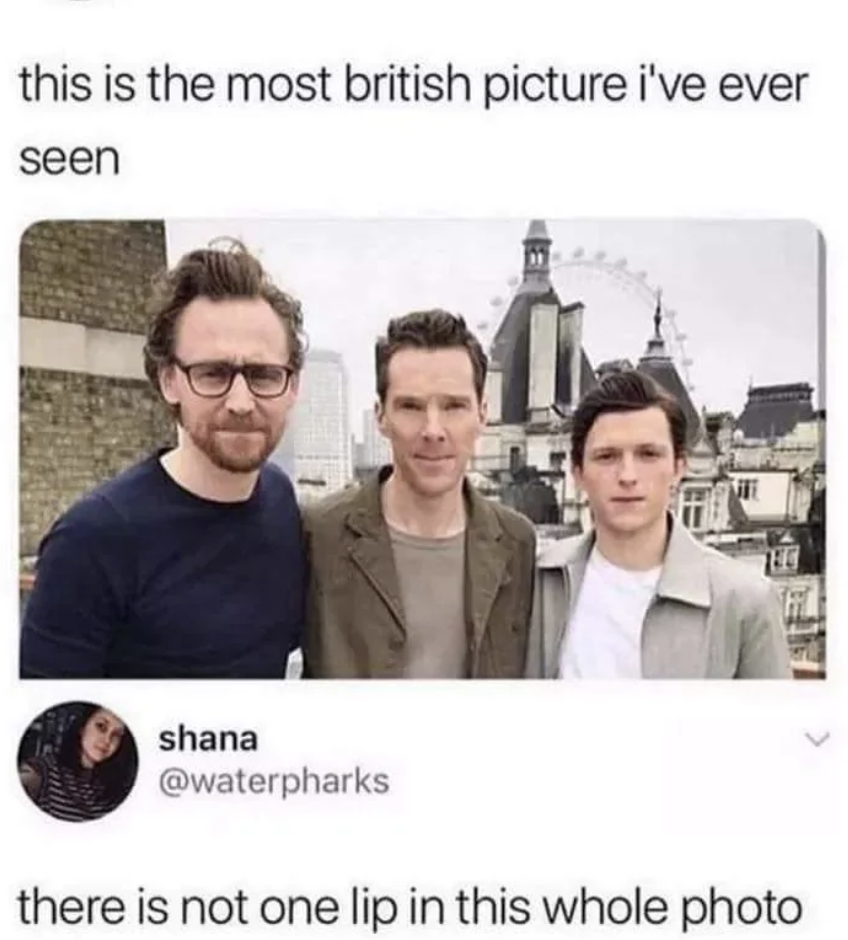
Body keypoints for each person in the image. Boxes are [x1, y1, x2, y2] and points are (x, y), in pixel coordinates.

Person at [20, 241, 306, 678]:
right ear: (169, 380)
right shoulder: (93, 540)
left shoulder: (282, 501)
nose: (242, 401)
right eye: (212, 373)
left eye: (264, 375)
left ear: (293, 385)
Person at [302, 309, 536, 678]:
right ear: (380, 416)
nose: (433, 430)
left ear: (482, 414)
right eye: (410, 406)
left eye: (454, 406)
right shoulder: (318, 534)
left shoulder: (518, 542)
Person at [526, 370, 792, 679]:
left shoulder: (746, 602)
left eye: (648, 454)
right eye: (607, 456)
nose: (628, 475)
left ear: (679, 468)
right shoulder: (539, 581)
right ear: (578, 473)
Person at [19, 704, 137, 822]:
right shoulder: (46, 769)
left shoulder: (119, 788)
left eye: (116, 735)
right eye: (101, 726)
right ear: (82, 726)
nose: (107, 740)